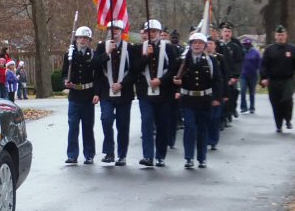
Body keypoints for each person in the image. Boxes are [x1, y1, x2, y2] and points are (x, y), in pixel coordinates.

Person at [173, 32, 223, 169]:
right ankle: (189, 157)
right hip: (187, 99)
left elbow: (217, 80)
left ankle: (202, 158)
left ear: (204, 46)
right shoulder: (182, 61)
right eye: (194, 43)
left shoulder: (210, 61)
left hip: (204, 99)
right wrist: (176, 84)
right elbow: (174, 76)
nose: (197, 45)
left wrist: (217, 98)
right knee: (190, 127)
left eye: (200, 43)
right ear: (190, 45)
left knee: (202, 129)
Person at [135, 19, 179, 167]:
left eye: (154, 31)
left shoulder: (169, 48)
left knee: (162, 124)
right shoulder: (140, 48)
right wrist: (146, 56)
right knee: (147, 121)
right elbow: (135, 69)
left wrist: (161, 81)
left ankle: (160, 155)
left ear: (160, 33)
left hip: (164, 93)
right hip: (145, 93)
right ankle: (148, 156)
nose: (151, 34)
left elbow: (174, 69)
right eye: (148, 31)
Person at [93, 20, 137, 166]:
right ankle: (109, 152)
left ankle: (122, 155)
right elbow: (95, 65)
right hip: (106, 91)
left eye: (117, 28)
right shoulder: (101, 47)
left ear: (122, 30)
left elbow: (134, 71)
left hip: (124, 92)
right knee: (106, 119)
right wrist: (107, 53)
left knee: (122, 124)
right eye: (111, 28)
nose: (114, 31)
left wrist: (122, 84)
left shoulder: (129, 48)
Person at [61, 26, 98, 164]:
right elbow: (64, 73)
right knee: (73, 126)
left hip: (88, 95)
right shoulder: (69, 55)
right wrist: (65, 81)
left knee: (88, 127)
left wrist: (96, 94)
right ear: (76, 39)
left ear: (89, 41)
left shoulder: (93, 55)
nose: (82, 40)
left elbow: (97, 77)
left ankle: (89, 154)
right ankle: (72, 154)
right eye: (80, 37)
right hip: (75, 96)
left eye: (85, 38)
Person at [260, 25, 295, 133]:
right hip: (273, 80)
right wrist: (263, 78)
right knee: (275, 103)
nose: (280, 37)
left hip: (287, 80)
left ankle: (287, 119)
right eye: (278, 35)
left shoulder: (292, 49)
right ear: (275, 36)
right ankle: (278, 124)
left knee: (287, 99)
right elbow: (264, 65)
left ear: (286, 36)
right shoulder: (269, 50)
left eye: (282, 35)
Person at [218, 21, 244, 122]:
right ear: (221, 33)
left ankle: (230, 110)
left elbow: (239, 62)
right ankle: (223, 116)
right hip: (221, 76)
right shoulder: (218, 45)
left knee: (233, 93)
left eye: (229, 31)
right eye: (225, 31)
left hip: (231, 75)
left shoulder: (235, 47)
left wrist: (235, 76)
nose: (227, 33)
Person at [204, 38, 226, 151]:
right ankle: (205, 138)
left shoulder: (219, 58)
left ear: (215, 46)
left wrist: (224, 94)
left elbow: (224, 77)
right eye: (206, 44)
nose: (208, 46)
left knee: (215, 118)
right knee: (206, 117)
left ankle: (213, 140)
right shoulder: (200, 59)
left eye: (211, 43)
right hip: (204, 93)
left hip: (217, 91)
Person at [239, 37, 261, 114]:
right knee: (242, 90)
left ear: (250, 45)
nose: (246, 46)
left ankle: (252, 107)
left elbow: (259, 64)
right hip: (243, 75)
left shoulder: (255, 53)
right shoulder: (241, 52)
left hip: (253, 75)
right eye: (245, 44)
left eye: (248, 44)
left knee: (252, 92)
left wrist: (259, 75)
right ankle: (243, 107)